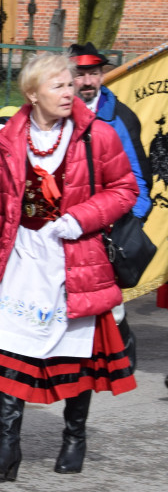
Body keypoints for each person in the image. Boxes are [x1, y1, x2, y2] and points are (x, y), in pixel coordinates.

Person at [0, 52, 137, 480]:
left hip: (75, 259)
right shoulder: (9, 141)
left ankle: (74, 437)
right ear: (32, 94)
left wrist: (81, 218)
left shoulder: (97, 135)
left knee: (76, 355)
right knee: (9, 347)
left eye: (70, 83)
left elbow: (125, 188)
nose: (69, 91)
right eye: (57, 85)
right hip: (21, 255)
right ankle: (7, 446)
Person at [68, 42, 152, 370]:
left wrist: (131, 224)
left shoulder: (120, 117)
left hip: (109, 223)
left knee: (109, 300)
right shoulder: (54, 112)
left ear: (103, 75)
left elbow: (139, 177)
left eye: (94, 74)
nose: (87, 82)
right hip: (66, 220)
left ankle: (121, 359)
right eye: (80, 74)